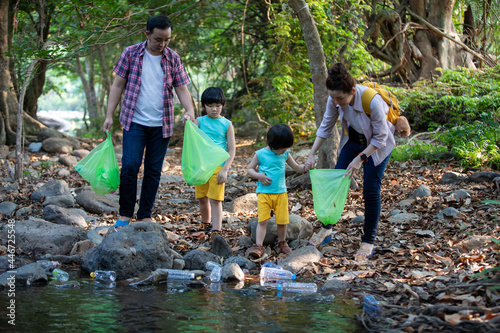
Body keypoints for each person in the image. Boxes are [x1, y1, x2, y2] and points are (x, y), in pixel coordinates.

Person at [102, 15, 195, 230]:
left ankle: (144, 215)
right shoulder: (131, 53)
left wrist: (189, 111)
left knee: (153, 170)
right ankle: (125, 214)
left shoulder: (173, 58)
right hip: (134, 121)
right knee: (130, 166)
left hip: (162, 124)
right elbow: (117, 85)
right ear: (147, 34)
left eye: (167, 40)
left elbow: (182, 89)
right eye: (158, 39)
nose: (162, 44)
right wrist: (109, 115)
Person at [305, 62, 395, 261]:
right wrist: (312, 153)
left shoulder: (372, 100)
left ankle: (368, 240)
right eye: (333, 97)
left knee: (370, 190)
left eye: (341, 98)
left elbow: (381, 138)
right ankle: (327, 229)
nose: (337, 102)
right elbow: (326, 126)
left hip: (377, 145)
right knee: (337, 182)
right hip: (354, 140)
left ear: (352, 91)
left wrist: (360, 159)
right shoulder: (334, 100)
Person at [245, 124, 306, 258]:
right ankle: (258, 245)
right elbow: (249, 169)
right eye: (282, 148)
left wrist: (305, 167)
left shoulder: (285, 154)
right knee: (263, 221)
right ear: (273, 144)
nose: (284, 150)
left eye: (286, 148)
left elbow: (296, 167)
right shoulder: (260, 154)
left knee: (282, 220)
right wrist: (258, 175)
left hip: (281, 193)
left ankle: (282, 242)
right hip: (264, 194)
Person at [194, 87, 236, 237]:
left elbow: (231, 149)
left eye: (217, 105)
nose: (214, 109)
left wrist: (225, 169)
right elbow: (192, 140)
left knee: (216, 200)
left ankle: (216, 230)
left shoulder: (226, 124)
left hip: (218, 166)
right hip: (202, 166)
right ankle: (205, 224)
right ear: (204, 105)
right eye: (210, 105)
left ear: (223, 105)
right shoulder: (199, 121)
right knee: (202, 198)